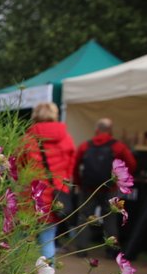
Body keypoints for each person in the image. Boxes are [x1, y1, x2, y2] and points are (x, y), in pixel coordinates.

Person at [19, 102, 76, 262]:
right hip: (55, 198)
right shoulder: (67, 139)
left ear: (35, 116)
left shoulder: (27, 139)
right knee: (48, 239)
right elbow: (70, 170)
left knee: (19, 240)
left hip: (31, 196)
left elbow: (19, 166)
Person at [73, 118, 137, 251]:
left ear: (96, 130)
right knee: (110, 217)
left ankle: (81, 249)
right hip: (110, 189)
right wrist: (120, 180)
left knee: (84, 217)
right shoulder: (118, 146)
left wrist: (79, 182)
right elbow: (132, 164)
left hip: (88, 188)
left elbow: (74, 166)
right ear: (110, 130)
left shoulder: (85, 146)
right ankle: (111, 250)